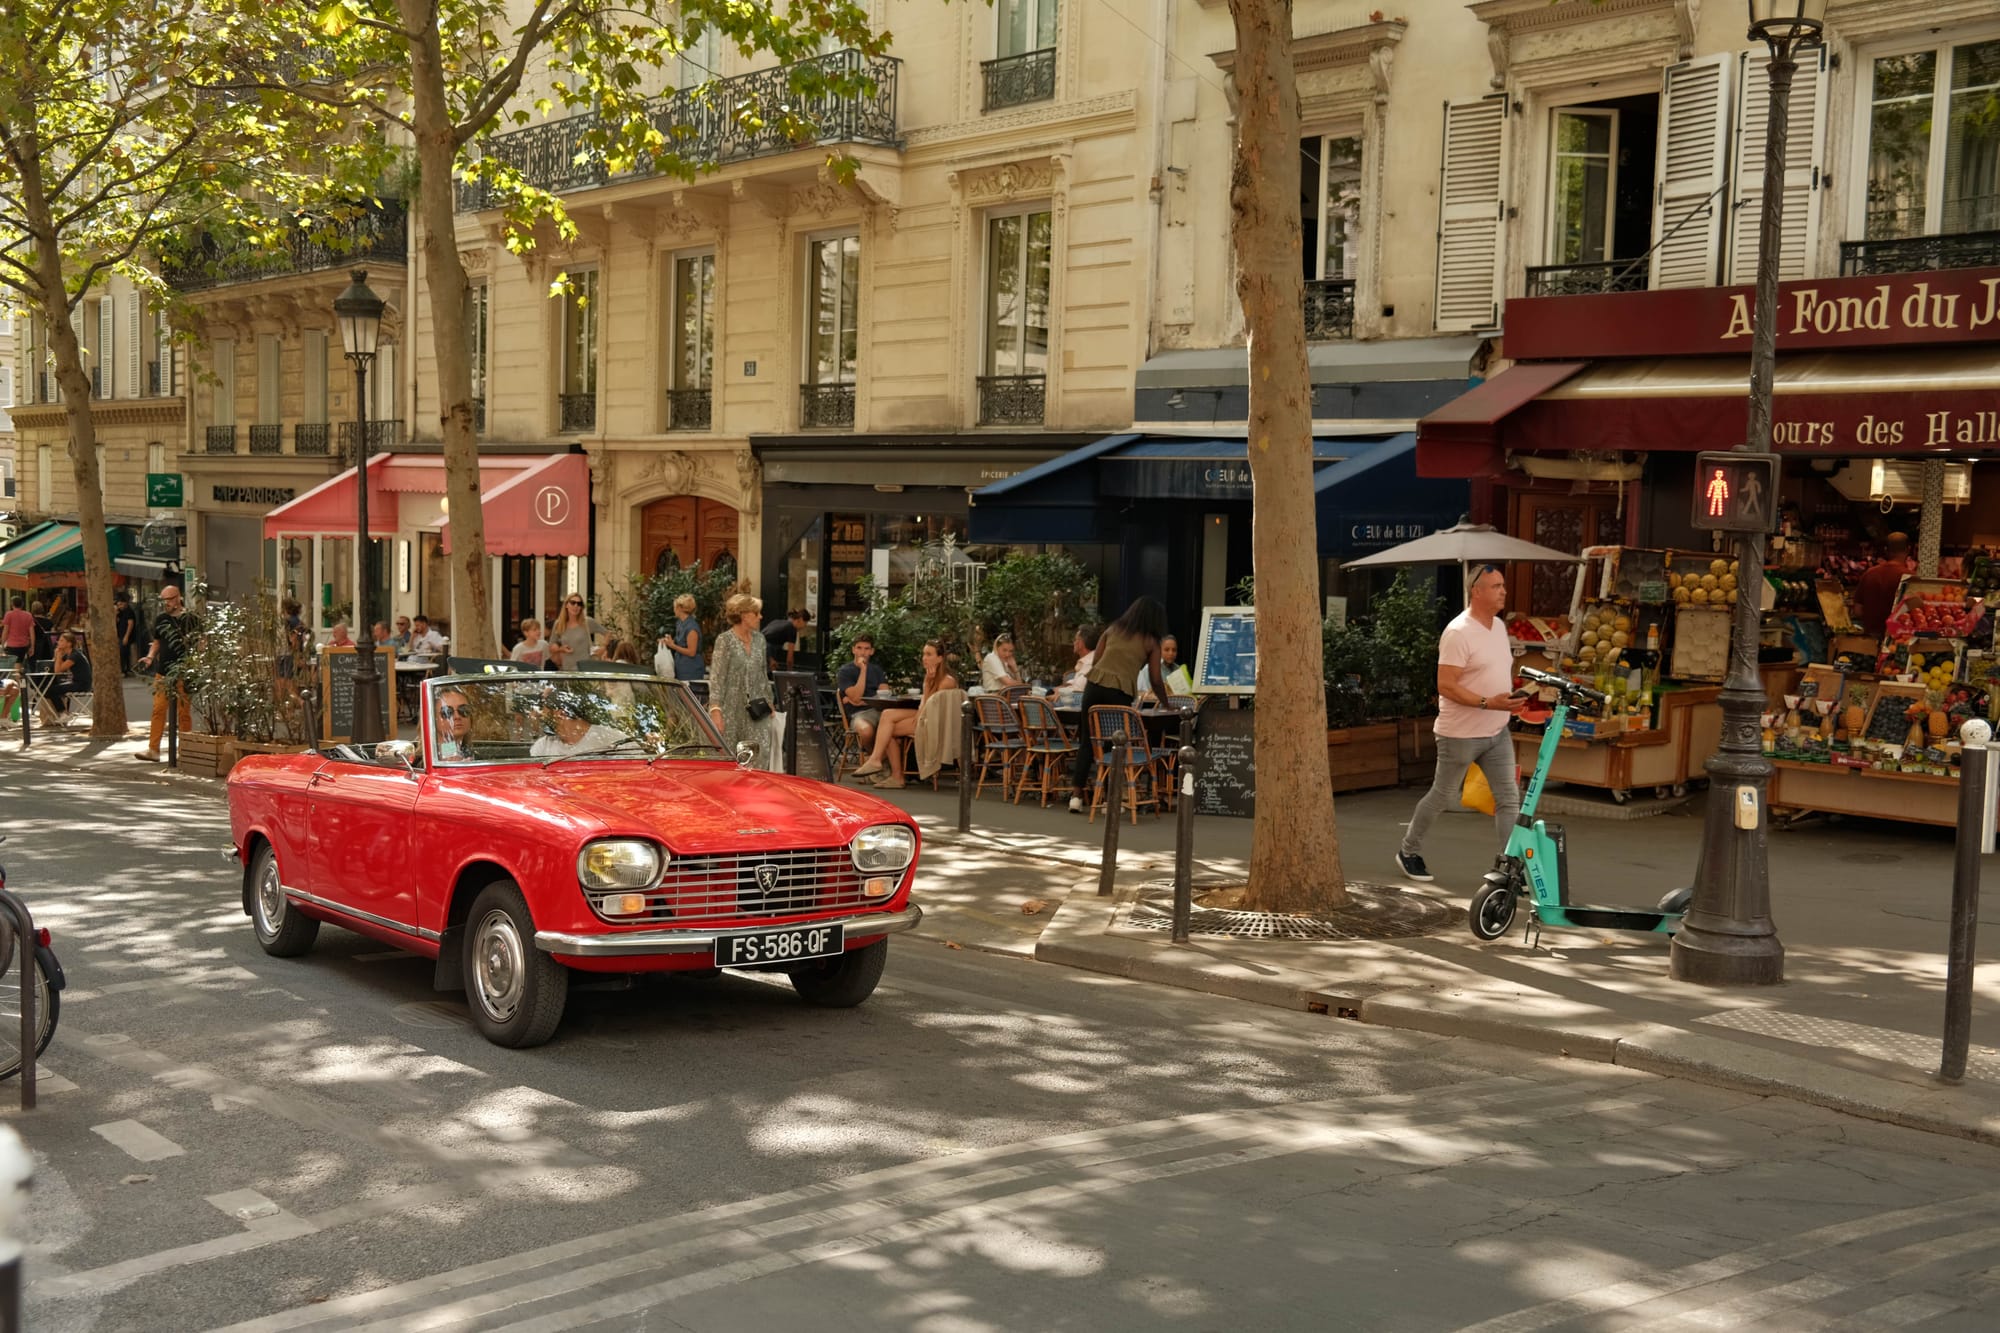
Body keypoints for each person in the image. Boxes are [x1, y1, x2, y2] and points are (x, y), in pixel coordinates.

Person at [1396, 564, 1528, 882]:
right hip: (1460, 734)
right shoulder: (1457, 632)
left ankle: (1509, 869)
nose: (1503, 591)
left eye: (1503, 585)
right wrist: (1487, 702)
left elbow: (1492, 673)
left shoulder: (1498, 627)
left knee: (1509, 798)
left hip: (1497, 730)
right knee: (1442, 794)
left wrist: (1510, 701)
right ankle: (1408, 851)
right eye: (1495, 586)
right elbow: (1446, 685)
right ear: (1476, 591)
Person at [1068, 599, 1168, 814]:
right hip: (1119, 692)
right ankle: (1108, 801)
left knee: (1088, 740)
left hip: (1094, 686)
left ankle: (1075, 797)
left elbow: (1097, 661)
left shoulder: (1113, 629)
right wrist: (1167, 703)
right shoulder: (1151, 641)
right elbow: (1156, 679)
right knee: (1115, 744)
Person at [853, 641, 958, 789]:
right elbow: (924, 706)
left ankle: (891, 772)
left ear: (940, 658)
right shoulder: (930, 676)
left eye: (929, 654)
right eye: (923, 654)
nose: (924, 658)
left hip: (936, 724)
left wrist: (927, 685)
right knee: (887, 715)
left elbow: (930, 708)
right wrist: (926, 686)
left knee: (887, 729)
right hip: (926, 716)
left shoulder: (947, 681)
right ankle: (878, 761)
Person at [706, 590, 776, 757]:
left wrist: (770, 702)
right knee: (732, 759)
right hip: (731, 710)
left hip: (758, 710)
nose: (760, 617)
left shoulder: (760, 640)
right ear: (744, 615)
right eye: (756, 613)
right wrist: (715, 711)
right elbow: (717, 678)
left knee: (760, 756)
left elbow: (762, 675)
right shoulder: (725, 641)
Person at [135, 584, 198, 761]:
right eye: (164, 600)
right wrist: (149, 657)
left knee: (183, 713)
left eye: (169, 600)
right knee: (158, 709)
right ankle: (153, 749)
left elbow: (201, 642)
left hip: (185, 672)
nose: (166, 604)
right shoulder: (161, 619)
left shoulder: (191, 618)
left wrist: (196, 663)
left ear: (178, 598)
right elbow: (157, 641)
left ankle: (184, 751)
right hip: (163, 672)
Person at [530, 692, 626, 757]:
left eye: (544, 710)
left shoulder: (611, 739)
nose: (541, 715)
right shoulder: (543, 745)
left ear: (561, 713)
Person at [1855, 532, 1914, 636]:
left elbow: (1858, 611)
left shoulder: (1869, 574)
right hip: (1898, 641)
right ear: (1908, 549)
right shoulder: (1911, 578)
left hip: (1870, 641)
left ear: (1886, 550)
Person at [836, 633, 886, 753]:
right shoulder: (845, 672)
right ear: (853, 650)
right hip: (858, 714)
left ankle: (880, 760)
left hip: (879, 711)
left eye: (866, 648)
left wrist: (863, 701)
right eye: (859, 648)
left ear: (872, 651)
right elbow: (857, 697)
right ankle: (874, 756)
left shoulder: (877, 670)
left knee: (895, 729)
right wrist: (863, 670)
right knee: (865, 731)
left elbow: (884, 695)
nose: (863, 652)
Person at [38, 630, 90, 723]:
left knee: (50, 690)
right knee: (49, 688)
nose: (58, 642)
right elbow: (56, 665)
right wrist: (57, 655)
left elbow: (58, 671)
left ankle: (63, 713)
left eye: (62, 641)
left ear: (69, 644)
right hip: (75, 682)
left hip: (82, 684)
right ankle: (63, 713)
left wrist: (58, 655)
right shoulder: (68, 654)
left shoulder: (75, 655)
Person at [659, 593, 705, 682]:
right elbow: (680, 642)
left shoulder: (692, 628)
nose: (674, 610)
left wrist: (673, 646)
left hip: (690, 668)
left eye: (674, 607)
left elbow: (692, 652)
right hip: (680, 666)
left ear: (680, 608)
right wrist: (668, 641)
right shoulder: (680, 623)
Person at [548, 596, 601, 670]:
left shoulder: (587, 622)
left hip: (585, 669)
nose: (576, 606)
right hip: (567, 668)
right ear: (566, 605)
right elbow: (551, 647)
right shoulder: (559, 624)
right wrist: (561, 649)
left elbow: (607, 633)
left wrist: (603, 647)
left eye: (579, 604)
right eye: (573, 603)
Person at [1137, 634, 1193, 701]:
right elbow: (1141, 694)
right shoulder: (1149, 669)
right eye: (1166, 650)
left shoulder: (1178, 670)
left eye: (1174, 650)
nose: (1170, 653)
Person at [434, 686, 478, 760]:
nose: (457, 717)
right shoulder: (421, 760)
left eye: (463, 710)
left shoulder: (469, 752)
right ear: (433, 718)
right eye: (447, 712)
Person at [1063, 622, 1101, 693]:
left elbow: (1078, 691)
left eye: (1075, 639)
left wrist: (1059, 692)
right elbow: (1078, 682)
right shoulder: (1087, 660)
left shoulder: (1090, 664)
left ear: (1081, 643)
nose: (1074, 643)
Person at [2, 595, 35, 662]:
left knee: (13, 666)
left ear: (12, 604)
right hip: (24, 645)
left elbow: (5, 631)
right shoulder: (28, 615)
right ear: (22, 604)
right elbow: (32, 633)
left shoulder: (9, 614)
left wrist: (2, 645)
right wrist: (32, 647)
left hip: (11, 645)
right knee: (20, 664)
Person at [115, 590, 139, 676]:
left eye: (121, 604)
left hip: (126, 635)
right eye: (118, 605)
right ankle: (126, 669)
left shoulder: (129, 611)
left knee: (124, 653)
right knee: (123, 652)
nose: (120, 606)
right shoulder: (120, 612)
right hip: (120, 634)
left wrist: (126, 636)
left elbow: (130, 624)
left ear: (125, 603)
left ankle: (124, 669)